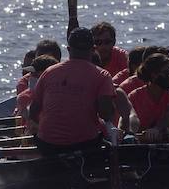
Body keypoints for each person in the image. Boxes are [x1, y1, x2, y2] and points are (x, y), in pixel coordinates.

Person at [27, 27, 117, 155]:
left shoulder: (49, 72)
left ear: (69, 49)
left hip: (47, 145)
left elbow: (34, 110)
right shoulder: (102, 75)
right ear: (93, 50)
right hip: (84, 144)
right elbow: (106, 114)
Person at [126, 52, 169, 143]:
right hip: (141, 139)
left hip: (167, 138)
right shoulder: (134, 96)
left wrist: (157, 129)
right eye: (167, 72)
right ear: (153, 75)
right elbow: (130, 118)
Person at [15, 54, 59, 135]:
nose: (31, 77)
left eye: (35, 74)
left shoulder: (60, 98)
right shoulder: (23, 98)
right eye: (31, 74)